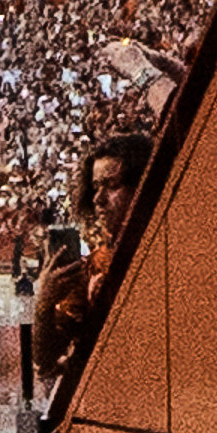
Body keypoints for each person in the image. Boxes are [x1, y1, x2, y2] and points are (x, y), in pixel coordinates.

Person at [34, 132, 152, 381]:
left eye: (111, 186)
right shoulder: (92, 267)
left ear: (141, 187)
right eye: (96, 186)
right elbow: (45, 359)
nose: (98, 199)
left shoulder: (161, 250)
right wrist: (44, 303)